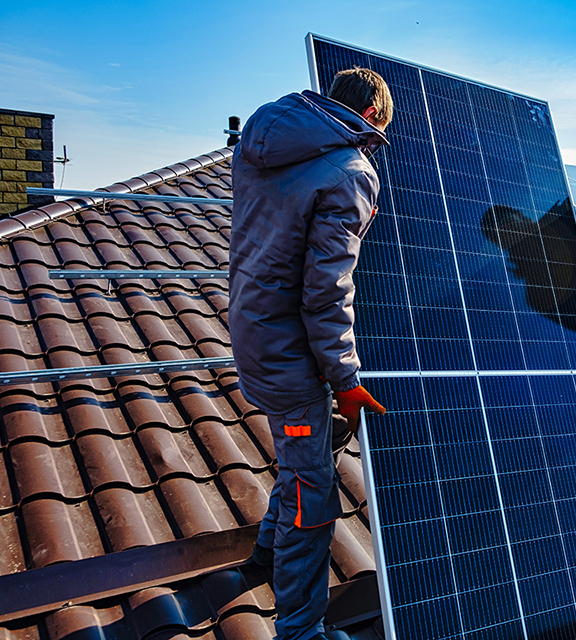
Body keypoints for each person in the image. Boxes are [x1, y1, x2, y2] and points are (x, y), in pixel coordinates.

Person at [228, 67, 393, 640]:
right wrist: (346, 380)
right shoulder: (350, 173)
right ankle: (299, 627)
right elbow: (326, 290)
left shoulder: (257, 145)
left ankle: (265, 558)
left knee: (301, 454)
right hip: (290, 356)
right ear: (371, 117)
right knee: (313, 494)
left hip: (252, 333)